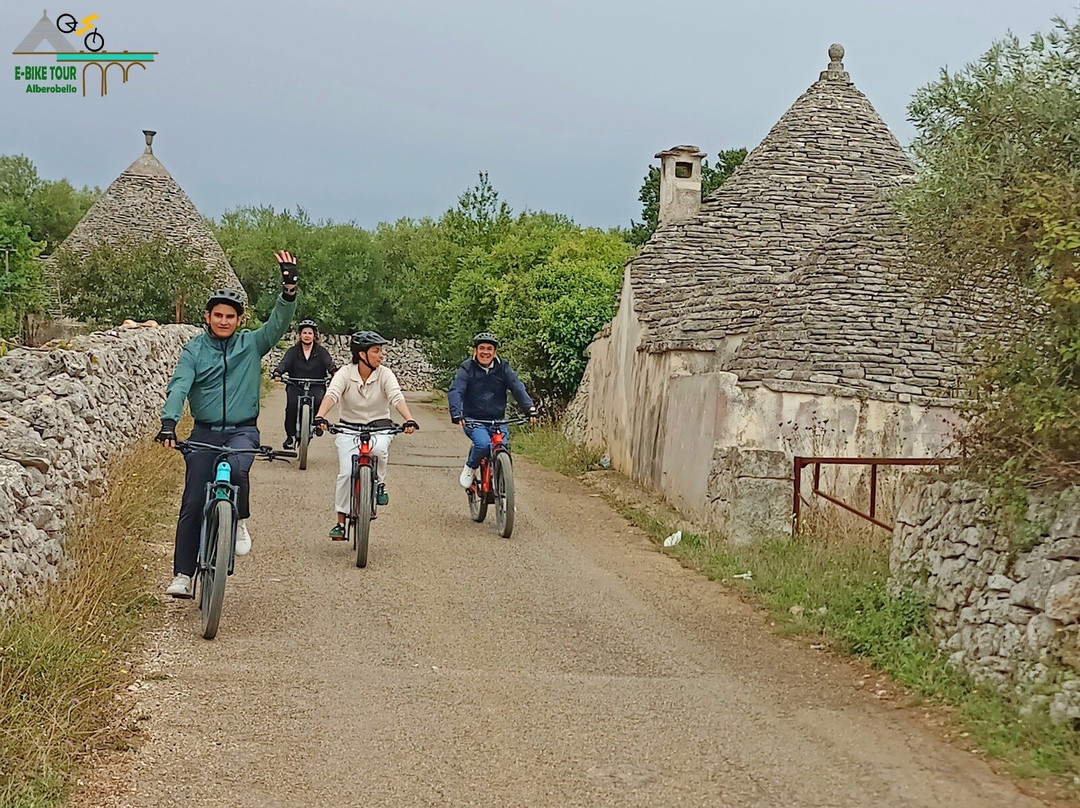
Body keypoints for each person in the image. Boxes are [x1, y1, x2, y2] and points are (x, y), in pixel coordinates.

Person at [155, 251, 299, 598]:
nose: (223, 321)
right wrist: (169, 423)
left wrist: (289, 289)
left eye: (230, 316)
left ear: (238, 320)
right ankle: (183, 575)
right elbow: (179, 385)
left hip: (242, 430)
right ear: (207, 317)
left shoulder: (250, 345)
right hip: (203, 432)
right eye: (217, 315)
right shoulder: (193, 350)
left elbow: (277, 325)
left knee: (237, 469)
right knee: (191, 502)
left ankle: (239, 523)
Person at [313, 331, 418, 539]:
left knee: (378, 449)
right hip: (348, 429)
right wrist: (320, 416)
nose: (381, 356)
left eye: (380, 351)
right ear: (362, 354)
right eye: (376, 351)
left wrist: (409, 418)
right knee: (345, 472)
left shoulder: (385, 374)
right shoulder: (344, 373)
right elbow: (332, 394)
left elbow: (396, 397)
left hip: (380, 427)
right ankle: (340, 522)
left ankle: (379, 483)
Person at [448, 331, 537, 488]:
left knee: (504, 448)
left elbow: (517, 387)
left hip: (497, 420)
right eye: (481, 348)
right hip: (474, 419)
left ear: (494, 352)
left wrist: (529, 408)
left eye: (489, 349)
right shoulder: (467, 368)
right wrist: (456, 413)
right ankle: (471, 467)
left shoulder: (503, 368)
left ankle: (504, 490)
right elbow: (457, 390)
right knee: (483, 444)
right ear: (475, 351)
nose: (485, 352)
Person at [272, 319, 337, 450]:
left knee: (319, 400)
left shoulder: (321, 351)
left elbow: (329, 364)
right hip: (295, 385)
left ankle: (317, 423)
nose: (307, 335)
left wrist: (334, 372)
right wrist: (278, 373)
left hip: (316, 385)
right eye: (304, 332)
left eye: (310, 333)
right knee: (291, 406)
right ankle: (290, 436)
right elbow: (284, 363)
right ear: (300, 335)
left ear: (315, 336)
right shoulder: (293, 351)